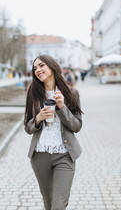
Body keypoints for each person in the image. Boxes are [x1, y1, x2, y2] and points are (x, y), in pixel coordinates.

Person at [24, 55, 83, 210]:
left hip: (64, 154)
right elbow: (27, 127)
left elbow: (76, 126)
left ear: (51, 66)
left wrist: (62, 107)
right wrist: (38, 118)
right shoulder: (33, 92)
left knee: (59, 205)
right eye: (35, 68)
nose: (38, 70)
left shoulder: (71, 93)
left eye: (41, 65)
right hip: (40, 155)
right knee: (48, 202)